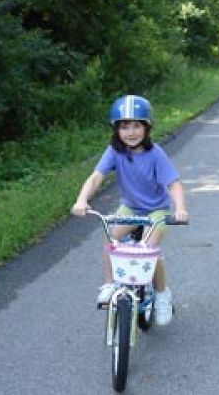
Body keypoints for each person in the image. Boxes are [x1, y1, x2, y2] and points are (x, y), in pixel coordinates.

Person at [71, 95, 188, 326]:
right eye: (124, 126)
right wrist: (82, 200)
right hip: (131, 207)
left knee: (149, 250)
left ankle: (162, 294)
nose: (131, 132)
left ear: (147, 127)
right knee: (111, 239)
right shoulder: (115, 152)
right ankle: (110, 284)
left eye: (136, 125)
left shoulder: (155, 153)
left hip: (156, 210)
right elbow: (96, 177)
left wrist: (181, 208)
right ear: (116, 129)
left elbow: (173, 184)